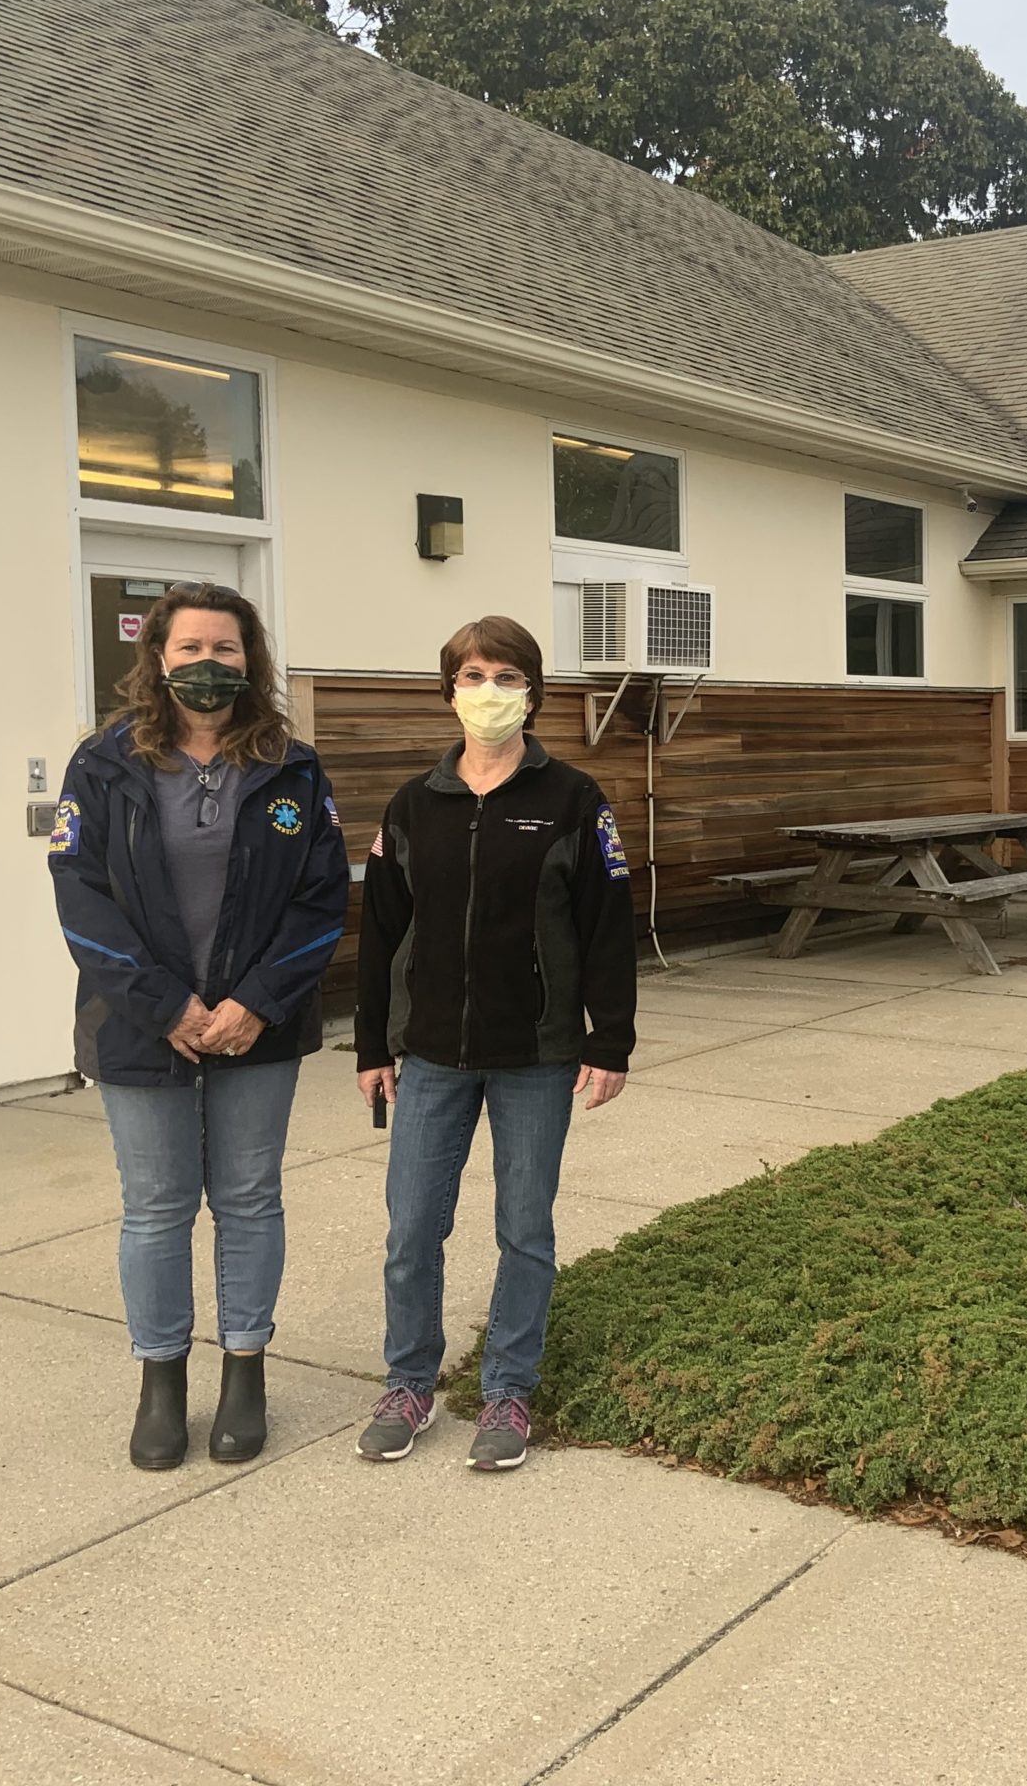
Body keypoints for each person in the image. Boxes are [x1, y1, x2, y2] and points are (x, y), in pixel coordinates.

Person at [48, 584, 349, 1471]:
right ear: (158, 659)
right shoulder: (103, 764)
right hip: (141, 1025)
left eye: (226, 648)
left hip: (261, 1023)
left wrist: (254, 1001)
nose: (208, 664)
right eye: (190, 649)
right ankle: (162, 1381)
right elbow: (79, 898)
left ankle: (246, 1371)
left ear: (251, 659)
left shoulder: (293, 766)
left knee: (250, 1199)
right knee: (156, 1209)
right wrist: (168, 1006)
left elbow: (321, 900)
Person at [353, 615, 637, 1471]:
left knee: (524, 1229)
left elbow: (607, 926)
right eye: (473, 675)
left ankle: (509, 1391)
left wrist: (610, 1038)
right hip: (433, 1054)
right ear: (449, 691)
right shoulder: (413, 805)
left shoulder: (575, 801)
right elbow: (380, 931)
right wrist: (373, 1045)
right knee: (412, 1229)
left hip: (536, 1057)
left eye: (507, 677)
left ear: (533, 693)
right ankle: (409, 1382)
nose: (489, 692)